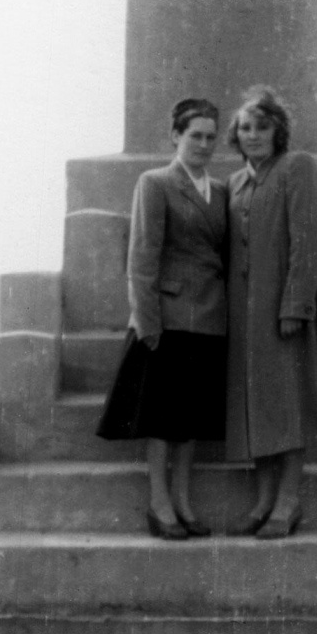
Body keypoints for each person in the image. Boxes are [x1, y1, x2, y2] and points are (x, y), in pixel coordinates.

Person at [96, 98, 227, 539]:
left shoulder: (223, 191)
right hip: (167, 318)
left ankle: (184, 500)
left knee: (191, 420)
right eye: (195, 136)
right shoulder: (155, 183)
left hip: (210, 318)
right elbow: (142, 256)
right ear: (175, 136)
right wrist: (146, 321)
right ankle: (159, 503)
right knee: (162, 418)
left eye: (211, 137)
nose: (204, 145)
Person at [225, 87, 317, 538]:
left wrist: (295, 304)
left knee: (286, 402)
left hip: (283, 308)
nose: (253, 135)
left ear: (279, 130)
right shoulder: (236, 184)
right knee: (253, 403)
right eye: (245, 127)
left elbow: (308, 240)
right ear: (235, 135)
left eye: (262, 126)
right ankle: (263, 497)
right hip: (243, 313)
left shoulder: (296, 167)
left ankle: (289, 499)